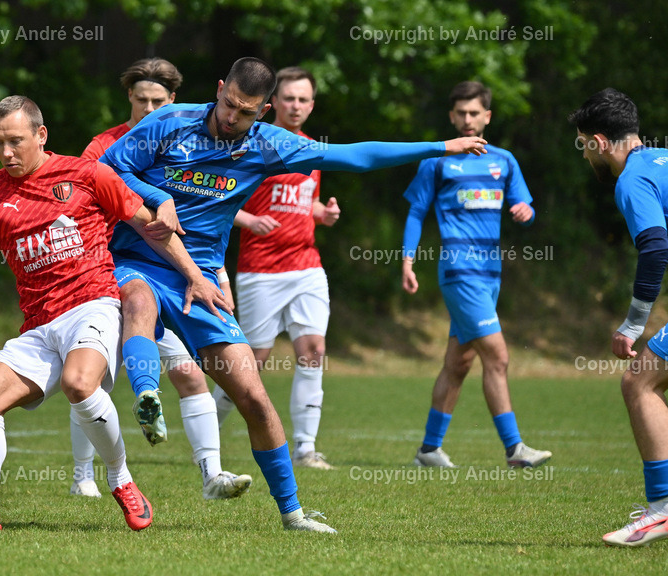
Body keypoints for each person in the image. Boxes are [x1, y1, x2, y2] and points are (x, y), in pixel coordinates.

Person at [100, 57, 488, 532]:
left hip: (201, 280)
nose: (231, 118)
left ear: (264, 111)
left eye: (245, 112)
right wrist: (159, 197)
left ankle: (293, 514)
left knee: (255, 398)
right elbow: (106, 169)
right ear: (219, 89)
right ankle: (147, 395)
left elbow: (355, 156)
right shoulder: (169, 121)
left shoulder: (269, 145)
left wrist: (440, 146)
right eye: (228, 104)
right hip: (137, 259)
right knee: (138, 301)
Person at [0, 95, 223, 532]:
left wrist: (194, 276)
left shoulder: (87, 174)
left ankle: (121, 480)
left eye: (16, 141)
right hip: (39, 324)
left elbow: (150, 227)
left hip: (93, 304)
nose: (7, 153)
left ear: (41, 135)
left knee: (80, 383)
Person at [70, 57, 253, 501]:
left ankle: (212, 476)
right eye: (141, 100)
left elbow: (204, 219)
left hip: (169, 279)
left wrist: (218, 274)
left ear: (173, 100)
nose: (149, 109)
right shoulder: (104, 147)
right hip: (106, 276)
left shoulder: (187, 140)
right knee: (93, 380)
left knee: (190, 375)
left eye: (158, 101)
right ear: (129, 98)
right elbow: (80, 202)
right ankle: (83, 477)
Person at [400, 81, 551, 470]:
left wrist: (525, 213)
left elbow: (525, 206)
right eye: (461, 113)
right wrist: (407, 260)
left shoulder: (505, 160)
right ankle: (515, 449)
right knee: (497, 356)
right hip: (459, 270)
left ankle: (428, 450)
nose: (468, 119)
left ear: (487, 116)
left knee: (459, 363)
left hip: (491, 274)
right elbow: (416, 211)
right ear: (452, 117)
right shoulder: (436, 160)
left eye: (474, 113)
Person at [212, 66, 340, 471]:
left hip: (307, 265)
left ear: (312, 105)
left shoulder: (312, 150)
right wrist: (249, 221)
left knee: (313, 350)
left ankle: (305, 447)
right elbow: (214, 199)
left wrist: (322, 213)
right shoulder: (253, 143)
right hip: (261, 271)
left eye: (303, 99)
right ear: (273, 104)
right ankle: (207, 434)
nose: (296, 105)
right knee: (250, 364)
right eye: (289, 98)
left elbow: (303, 202)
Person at [570, 88, 668, 547]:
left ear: (599, 142)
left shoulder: (631, 179)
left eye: (584, 145)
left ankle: (662, 510)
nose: (584, 154)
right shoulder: (663, 160)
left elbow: (655, 247)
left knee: (639, 381)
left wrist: (633, 323)